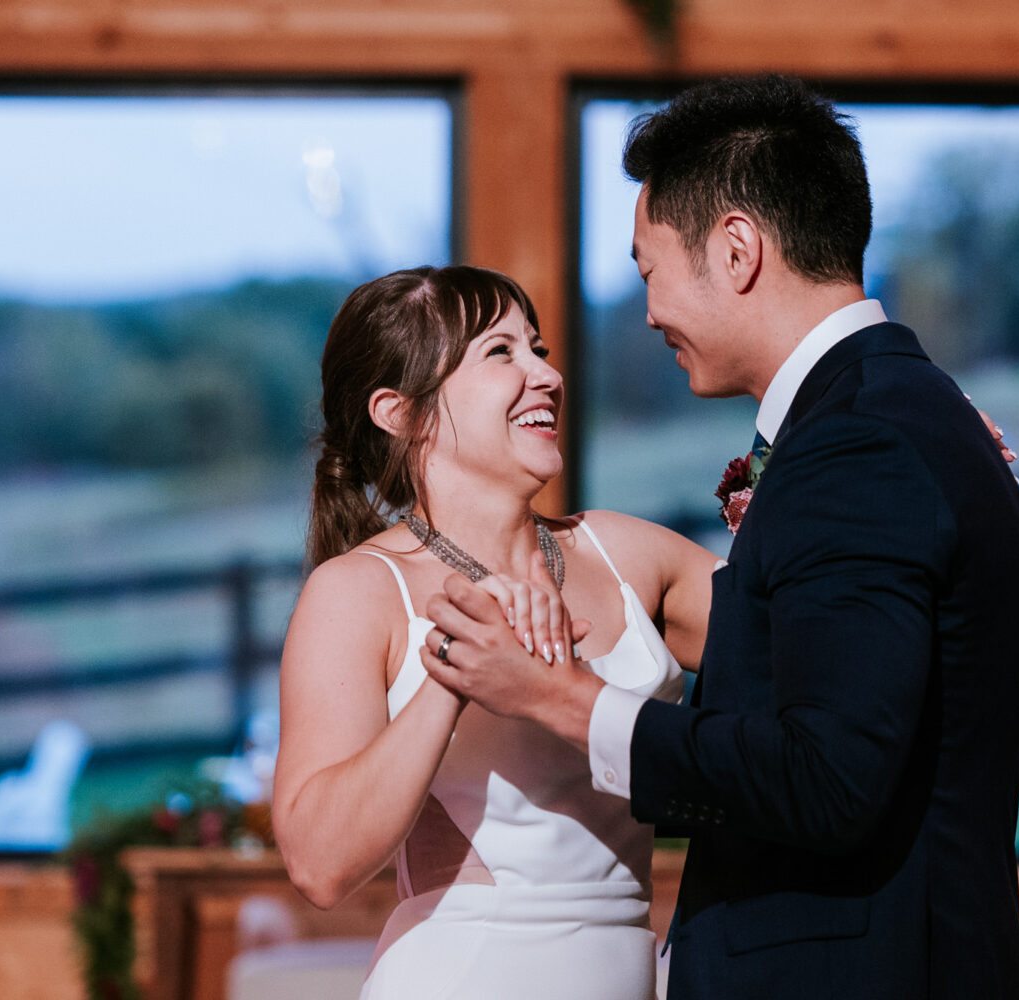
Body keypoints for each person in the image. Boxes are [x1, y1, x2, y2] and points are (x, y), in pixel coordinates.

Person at [422, 74, 1019, 999]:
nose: (649, 311)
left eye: (649, 270)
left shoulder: (858, 444)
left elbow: (826, 778)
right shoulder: (901, 414)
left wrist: (559, 697)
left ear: (738, 248)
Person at [270, 264, 723, 1000]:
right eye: (501, 354)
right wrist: (456, 669)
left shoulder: (627, 553)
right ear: (401, 412)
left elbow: (808, 634)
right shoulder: (357, 592)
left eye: (538, 348)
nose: (545, 375)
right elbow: (320, 864)